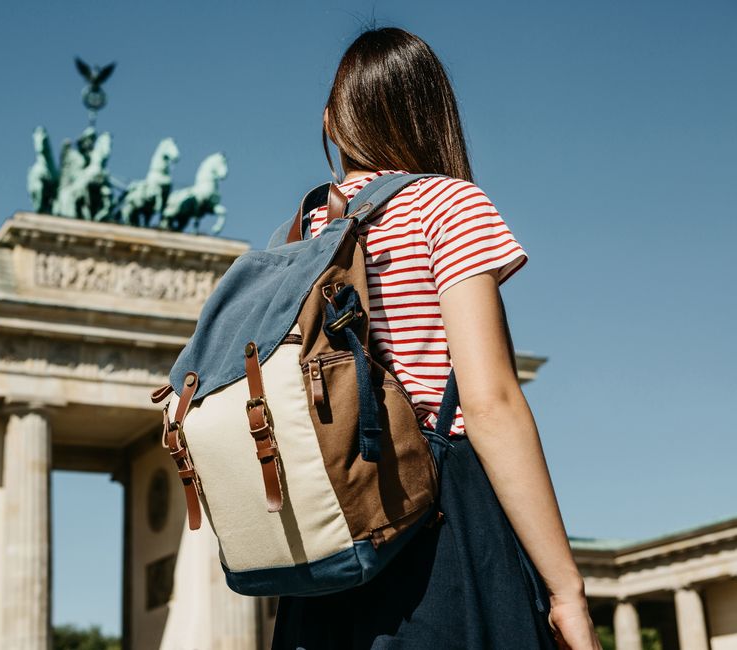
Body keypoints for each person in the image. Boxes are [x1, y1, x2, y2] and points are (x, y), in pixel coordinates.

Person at [269, 27, 602, 650]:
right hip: (438, 529)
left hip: (329, 546)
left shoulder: (304, 233)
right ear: (432, 115)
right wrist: (567, 591)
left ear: (332, 123)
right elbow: (489, 402)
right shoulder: (447, 206)